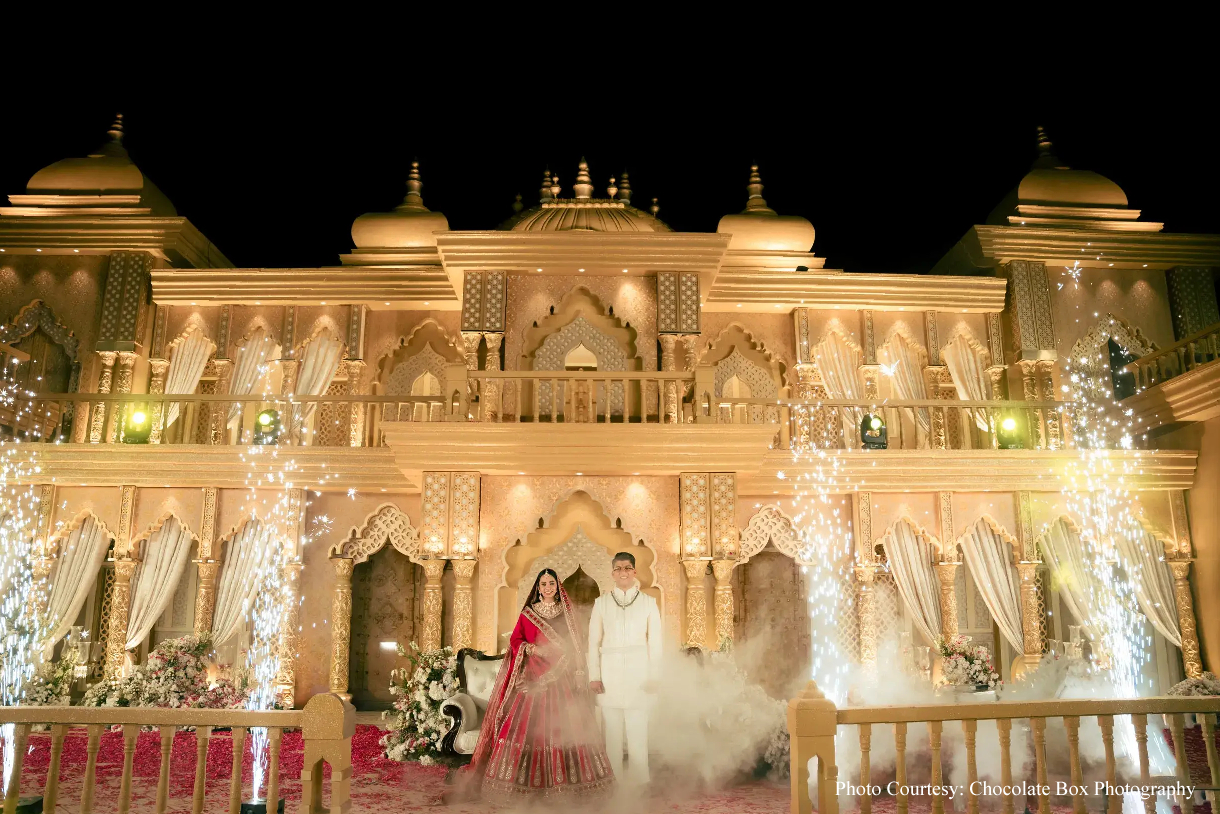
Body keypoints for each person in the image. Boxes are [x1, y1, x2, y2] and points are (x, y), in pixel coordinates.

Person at [455, 568, 614, 802]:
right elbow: (516, 640)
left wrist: (576, 669)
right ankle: (518, 787)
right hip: (531, 677)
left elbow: (577, 643)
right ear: (537, 588)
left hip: (562, 677)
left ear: (558, 587)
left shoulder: (567, 613)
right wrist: (533, 648)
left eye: (551, 583)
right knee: (527, 727)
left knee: (568, 727)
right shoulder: (529, 613)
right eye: (544, 584)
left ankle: (572, 787)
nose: (548, 587)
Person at [587, 551, 663, 787]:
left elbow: (655, 642)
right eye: (618, 568)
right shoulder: (601, 603)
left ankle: (641, 784)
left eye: (627, 568)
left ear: (634, 572)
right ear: (612, 573)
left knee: (638, 732)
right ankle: (613, 783)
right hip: (609, 674)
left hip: (639, 674)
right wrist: (594, 676)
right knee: (612, 734)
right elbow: (592, 641)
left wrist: (654, 676)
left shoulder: (649, 603)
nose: (623, 572)